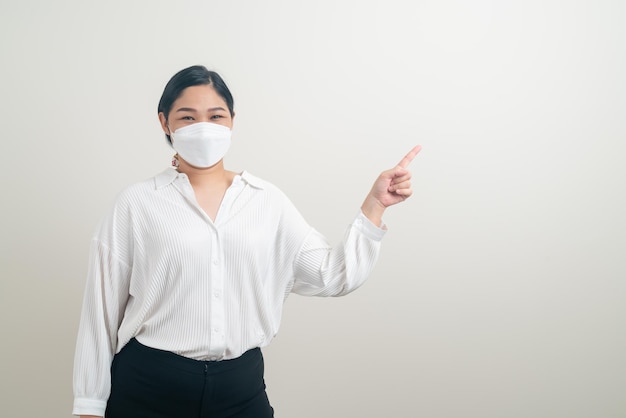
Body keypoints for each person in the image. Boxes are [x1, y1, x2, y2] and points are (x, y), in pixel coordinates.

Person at [72, 64, 421, 418]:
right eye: (188, 117)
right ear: (165, 123)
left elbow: (333, 274)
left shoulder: (266, 201)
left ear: (232, 121)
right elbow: (99, 315)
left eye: (215, 116)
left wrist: (374, 207)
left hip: (239, 388)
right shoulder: (136, 203)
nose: (203, 128)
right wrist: (89, 407)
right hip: (149, 387)